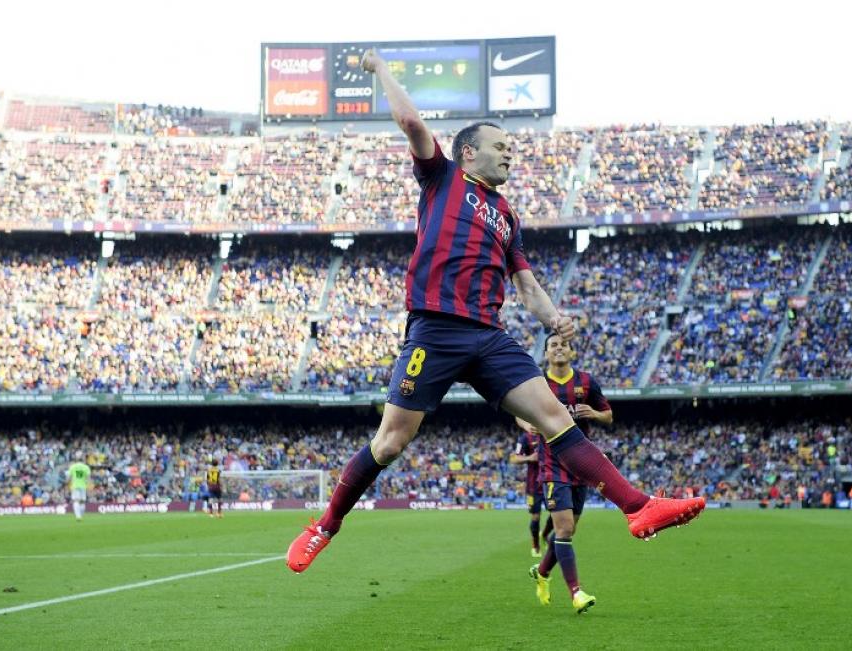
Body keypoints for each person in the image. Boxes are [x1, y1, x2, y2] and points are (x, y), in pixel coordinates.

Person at [286, 48, 705, 575]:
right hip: (435, 330)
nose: (510, 155)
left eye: (511, 148)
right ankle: (325, 525)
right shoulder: (441, 177)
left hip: (489, 336)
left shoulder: (507, 214)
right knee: (391, 443)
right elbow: (411, 122)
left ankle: (638, 508)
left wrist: (552, 318)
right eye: (500, 147)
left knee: (555, 418)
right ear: (468, 153)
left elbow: (525, 283)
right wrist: (380, 69)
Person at [526, 334, 613, 614]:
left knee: (568, 530)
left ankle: (542, 572)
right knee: (563, 529)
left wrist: (594, 414)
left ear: (572, 351)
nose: (559, 348)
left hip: (581, 464)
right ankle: (576, 593)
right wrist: (530, 424)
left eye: (564, 344)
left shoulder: (586, 382)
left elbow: (608, 415)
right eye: (553, 345)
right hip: (552, 465)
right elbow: (521, 412)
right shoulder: (538, 384)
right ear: (546, 353)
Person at [509, 423, 553, 558]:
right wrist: (529, 458)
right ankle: (535, 545)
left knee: (556, 514)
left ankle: (544, 534)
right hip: (533, 486)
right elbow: (515, 458)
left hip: (550, 482)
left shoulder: (549, 432)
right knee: (535, 516)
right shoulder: (525, 438)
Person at [66, 453, 92, 521]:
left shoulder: (72, 467)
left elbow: (68, 478)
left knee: (76, 500)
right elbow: (89, 478)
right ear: (82, 459)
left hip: (75, 486)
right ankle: (81, 515)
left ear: (76, 459)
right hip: (83, 486)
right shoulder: (86, 467)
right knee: (82, 501)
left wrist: (66, 484)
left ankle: (78, 516)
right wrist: (89, 487)